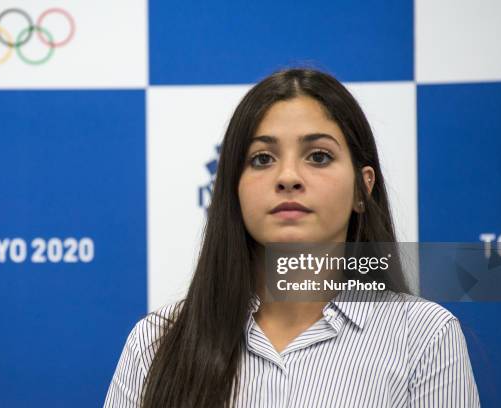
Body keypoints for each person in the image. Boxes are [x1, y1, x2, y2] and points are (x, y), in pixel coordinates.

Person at [103, 67, 480, 407]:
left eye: (318, 156)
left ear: (361, 191)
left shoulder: (425, 338)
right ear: (233, 189)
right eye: (262, 159)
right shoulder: (155, 343)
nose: (288, 177)